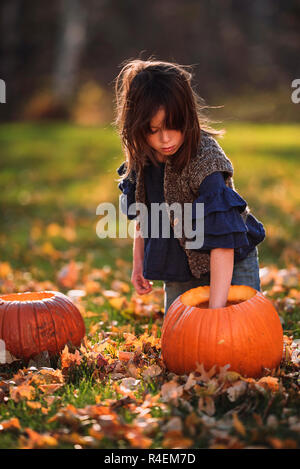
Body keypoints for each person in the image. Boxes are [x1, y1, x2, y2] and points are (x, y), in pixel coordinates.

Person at [114, 58, 266, 316]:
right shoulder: (142, 160)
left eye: (174, 126)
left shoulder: (205, 160)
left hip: (230, 264)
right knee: (182, 341)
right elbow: (145, 217)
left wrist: (217, 309)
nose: (165, 139)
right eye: (153, 130)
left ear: (188, 116)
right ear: (137, 127)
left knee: (238, 331)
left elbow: (223, 240)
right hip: (178, 269)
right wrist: (138, 264)